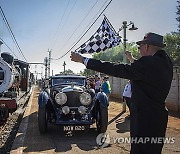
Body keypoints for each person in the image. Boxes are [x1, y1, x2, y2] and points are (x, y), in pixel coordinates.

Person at [70, 32, 173, 154]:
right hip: (157, 116)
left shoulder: (148, 62)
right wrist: (132, 60)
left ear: (147, 46)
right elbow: (145, 73)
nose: (139, 49)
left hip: (145, 118)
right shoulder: (165, 62)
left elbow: (117, 69)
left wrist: (84, 60)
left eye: (140, 47)